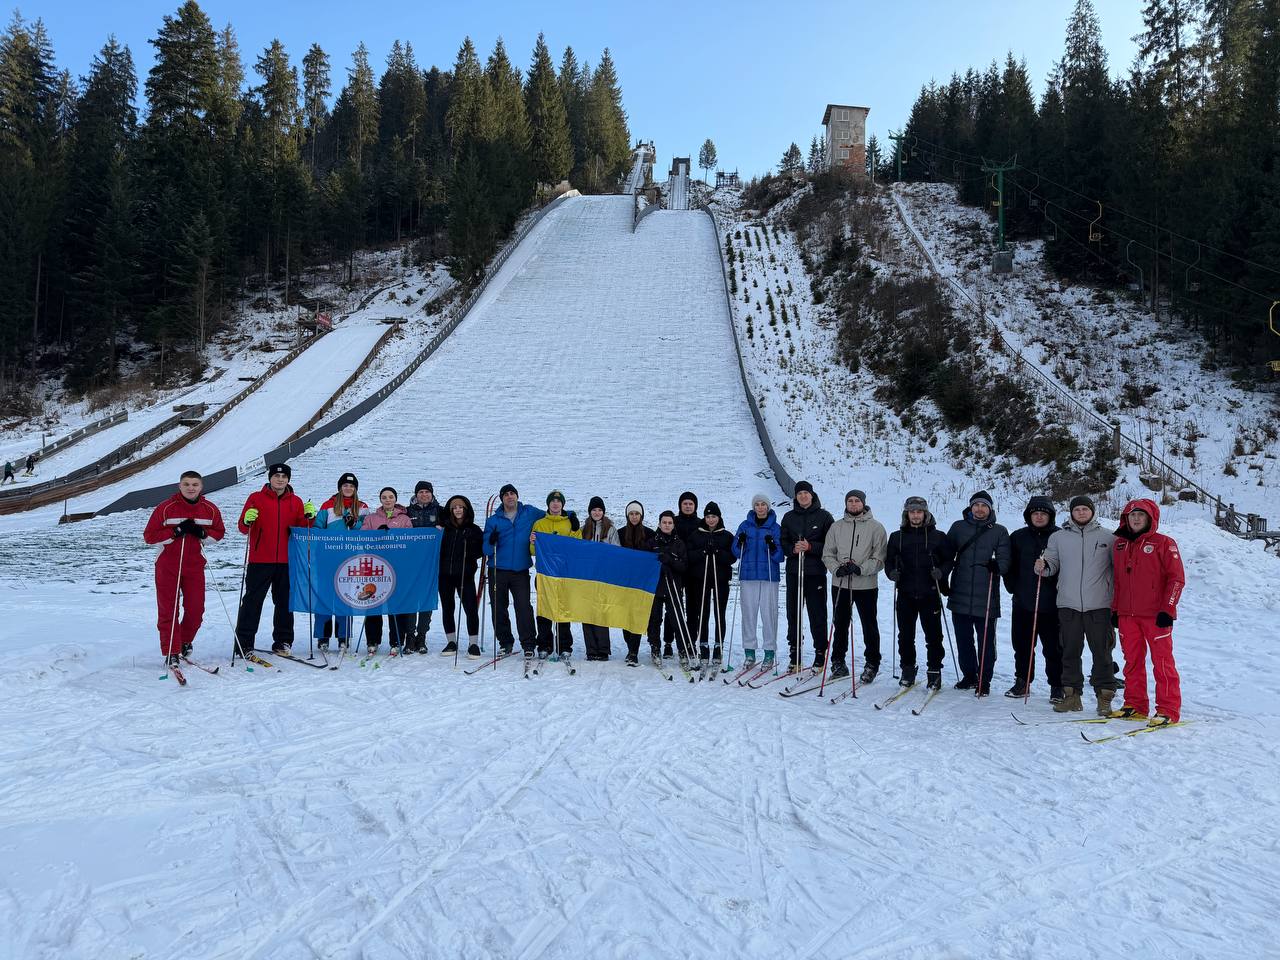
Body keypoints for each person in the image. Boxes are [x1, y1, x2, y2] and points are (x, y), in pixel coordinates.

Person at [1039, 494, 1118, 715]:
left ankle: (1104, 698)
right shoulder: (1058, 538)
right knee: (1069, 652)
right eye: (1077, 510)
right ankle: (1072, 697)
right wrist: (1043, 567)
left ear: (1092, 511)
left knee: (1102, 653)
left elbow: (1118, 568)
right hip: (1068, 605)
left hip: (1099, 605)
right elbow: (1052, 564)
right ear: (1071, 513)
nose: (1081, 512)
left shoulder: (1108, 537)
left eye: (1085, 509)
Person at [1110, 499, 1185, 727]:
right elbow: (1118, 582)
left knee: (1162, 663)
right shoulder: (1119, 545)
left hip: (1155, 616)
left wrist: (1168, 609)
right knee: (1131, 661)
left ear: (1150, 519)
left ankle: (1168, 709)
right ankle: (1135, 705)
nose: (1135, 519)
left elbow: (1176, 579)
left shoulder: (1164, 543)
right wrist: (1115, 609)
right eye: (1132, 515)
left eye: (1140, 515)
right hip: (1127, 615)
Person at [143, 471, 225, 665]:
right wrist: (176, 531)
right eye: (186, 484)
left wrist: (202, 532)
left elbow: (219, 533)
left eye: (195, 484)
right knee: (168, 610)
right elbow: (149, 536)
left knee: (196, 610)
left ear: (201, 487)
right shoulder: (166, 508)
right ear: (179, 486)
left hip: (194, 565)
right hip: (168, 565)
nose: (191, 488)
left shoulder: (210, 509)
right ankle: (171, 650)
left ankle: (184, 641)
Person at [235, 463, 315, 657]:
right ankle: (243, 642)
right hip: (260, 559)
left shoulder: (296, 501)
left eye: (284, 477)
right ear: (270, 478)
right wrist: (247, 519)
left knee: (284, 602)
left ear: (288, 479)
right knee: (252, 601)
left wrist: (309, 517)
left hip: (287, 560)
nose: (280, 479)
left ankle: (283, 641)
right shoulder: (256, 498)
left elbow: (302, 529)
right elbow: (243, 528)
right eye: (277, 476)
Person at [944, 490, 1011, 696]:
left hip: (987, 595)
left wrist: (997, 566)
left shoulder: (999, 531)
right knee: (963, 639)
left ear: (990, 509)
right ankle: (969, 675)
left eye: (984, 506)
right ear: (971, 507)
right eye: (976, 505)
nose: (980, 509)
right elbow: (946, 555)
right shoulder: (958, 527)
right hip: (960, 593)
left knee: (986, 642)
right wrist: (942, 580)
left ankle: (984, 679)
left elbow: (1006, 560)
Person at [884, 496, 953, 691]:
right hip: (905, 593)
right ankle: (907, 669)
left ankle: (934, 671)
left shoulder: (938, 536)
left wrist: (941, 572)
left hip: (930, 592)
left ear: (925, 514)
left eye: (919, 511)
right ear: (907, 514)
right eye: (912, 512)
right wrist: (892, 573)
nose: (915, 515)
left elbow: (949, 559)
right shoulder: (897, 536)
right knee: (905, 635)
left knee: (933, 636)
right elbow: (888, 561)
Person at [822, 488, 885, 682]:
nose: (854, 504)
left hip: (865, 585)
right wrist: (836, 568)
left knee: (869, 625)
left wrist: (860, 568)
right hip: (841, 583)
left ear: (863, 503)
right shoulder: (836, 527)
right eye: (850, 501)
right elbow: (827, 553)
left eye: (857, 501)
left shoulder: (876, 528)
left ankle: (872, 663)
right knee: (840, 623)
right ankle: (838, 662)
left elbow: (879, 558)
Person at [1004, 496, 1064, 701]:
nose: (1039, 517)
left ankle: (1057, 685)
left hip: (1051, 603)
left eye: (1043, 513)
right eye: (1035, 513)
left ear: (1050, 516)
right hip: (1024, 602)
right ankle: (1023, 681)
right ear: (1029, 516)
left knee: (1054, 647)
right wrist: (1012, 586)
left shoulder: (1059, 536)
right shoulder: (1018, 537)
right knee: (1022, 645)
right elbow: (1010, 565)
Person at [482, 483, 545, 659]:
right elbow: (486, 550)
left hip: (520, 570)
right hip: (497, 570)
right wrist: (491, 541)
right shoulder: (493, 521)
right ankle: (505, 642)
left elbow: (551, 516)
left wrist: (570, 516)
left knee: (523, 607)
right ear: (502, 499)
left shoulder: (529, 512)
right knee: (498, 608)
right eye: (506, 494)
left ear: (517, 496)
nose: (510, 497)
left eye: (512, 493)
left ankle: (529, 643)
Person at [781, 480, 834, 672]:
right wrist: (792, 549)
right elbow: (783, 542)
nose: (803, 496)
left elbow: (831, 545)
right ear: (795, 496)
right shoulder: (788, 517)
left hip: (815, 572)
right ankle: (795, 654)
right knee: (793, 613)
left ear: (812, 495)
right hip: (795, 571)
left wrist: (811, 547)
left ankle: (820, 653)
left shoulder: (824, 516)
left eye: (806, 493)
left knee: (817, 613)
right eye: (799, 493)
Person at [312, 472, 368, 654]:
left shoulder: (362, 506)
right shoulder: (328, 506)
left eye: (351, 486)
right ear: (339, 487)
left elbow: (368, 530)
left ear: (355, 489)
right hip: (328, 558)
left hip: (350, 559)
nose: (348, 488)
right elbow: (317, 529)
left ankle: (344, 636)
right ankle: (323, 636)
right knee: (325, 596)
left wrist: (355, 524)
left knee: (346, 596)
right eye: (345, 485)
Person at [733, 493, 785, 669]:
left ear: (768, 507)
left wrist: (772, 546)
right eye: (757, 504)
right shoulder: (745, 526)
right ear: (753, 507)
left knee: (769, 614)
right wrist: (740, 542)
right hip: (748, 576)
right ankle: (749, 652)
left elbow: (779, 556)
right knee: (748, 613)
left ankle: (769, 652)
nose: (761, 507)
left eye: (764, 504)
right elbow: (735, 551)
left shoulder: (775, 528)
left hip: (768, 576)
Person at [361, 487, 413, 654]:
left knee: (395, 604)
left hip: (397, 567)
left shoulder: (404, 519)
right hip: (375, 567)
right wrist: (376, 535)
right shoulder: (371, 518)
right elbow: (362, 539)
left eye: (391, 497)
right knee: (373, 602)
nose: (388, 500)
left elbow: (410, 541)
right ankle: (372, 640)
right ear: (380, 500)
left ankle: (396, 640)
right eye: (384, 497)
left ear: (395, 499)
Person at [531, 490, 581, 660]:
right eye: (552, 501)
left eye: (558, 501)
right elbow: (532, 550)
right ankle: (544, 645)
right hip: (544, 575)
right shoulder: (539, 524)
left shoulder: (569, 523)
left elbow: (577, 547)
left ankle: (564, 645)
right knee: (544, 610)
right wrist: (532, 542)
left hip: (563, 575)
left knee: (562, 610)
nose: (555, 504)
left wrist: (574, 529)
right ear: (548, 504)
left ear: (562, 505)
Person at [688, 501, 736, 661]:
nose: (710, 520)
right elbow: (689, 555)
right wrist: (703, 551)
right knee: (703, 612)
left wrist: (717, 551)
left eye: (713, 516)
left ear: (719, 517)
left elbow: (732, 557)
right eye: (708, 516)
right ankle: (703, 644)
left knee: (719, 612)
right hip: (700, 579)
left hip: (720, 579)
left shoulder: (726, 535)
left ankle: (718, 645)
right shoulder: (696, 534)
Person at [439, 494, 484, 658]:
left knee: (470, 608)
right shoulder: (444, 529)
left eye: (461, 507)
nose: (458, 510)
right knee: (448, 607)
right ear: (450, 510)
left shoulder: (474, 529)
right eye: (454, 507)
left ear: (466, 509)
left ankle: (473, 644)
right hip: (444, 575)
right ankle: (451, 642)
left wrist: (470, 543)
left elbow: (480, 552)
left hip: (465, 575)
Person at [406, 481, 445, 653]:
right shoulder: (407, 512)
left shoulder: (441, 511)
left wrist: (443, 528)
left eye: (427, 492)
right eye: (420, 492)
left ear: (432, 494)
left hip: (432, 564)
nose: (424, 494)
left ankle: (422, 636)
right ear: (416, 494)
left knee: (426, 600)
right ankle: (410, 637)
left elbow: (452, 528)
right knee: (410, 600)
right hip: (411, 564)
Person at [580, 496, 620, 660]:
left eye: (600, 510)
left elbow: (617, 551)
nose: (597, 512)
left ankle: (603, 650)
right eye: (594, 510)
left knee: (601, 612)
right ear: (590, 512)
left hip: (603, 577)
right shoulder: (583, 529)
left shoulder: (610, 529)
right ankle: (591, 649)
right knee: (587, 612)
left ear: (603, 512)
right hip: (587, 578)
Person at [648, 510, 690, 664]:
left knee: (677, 618)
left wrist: (670, 561)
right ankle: (655, 647)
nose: (667, 525)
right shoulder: (652, 542)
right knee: (655, 619)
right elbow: (647, 564)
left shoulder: (679, 543)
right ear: (659, 524)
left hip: (673, 585)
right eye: (664, 522)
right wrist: (659, 565)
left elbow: (684, 566)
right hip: (656, 586)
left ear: (673, 525)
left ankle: (682, 649)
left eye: (670, 523)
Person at [618, 501, 654, 666]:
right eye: (631, 513)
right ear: (627, 515)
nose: (634, 516)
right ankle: (629, 645)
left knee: (637, 616)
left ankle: (634, 652)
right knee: (625, 616)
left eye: (637, 514)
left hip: (642, 583)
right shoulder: (619, 533)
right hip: (623, 582)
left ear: (641, 516)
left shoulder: (649, 533)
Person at [674, 491, 702, 651]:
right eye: (685, 503)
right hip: (676, 570)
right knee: (675, 607)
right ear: (680, 505)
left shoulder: (700, 523)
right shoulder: (674, 522)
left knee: (693, 608)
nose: (688, 506)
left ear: (695, 506)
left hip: (694, 572)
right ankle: (671, 642)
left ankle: (691, 641)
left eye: (691, 503)